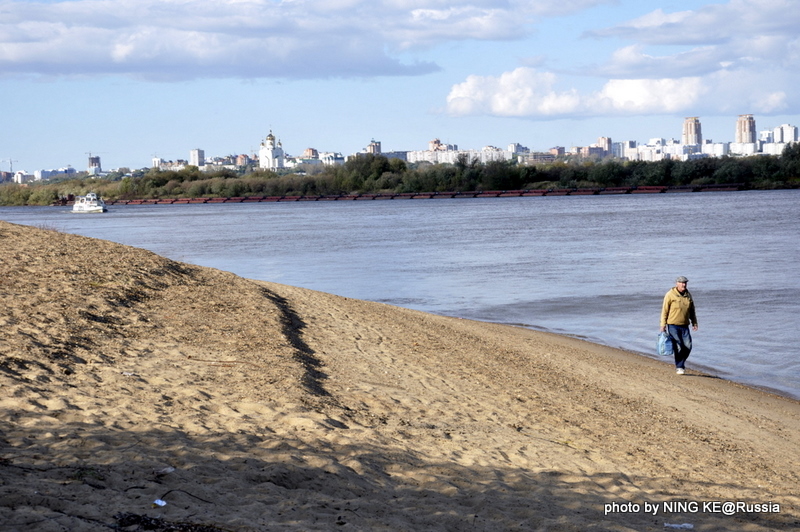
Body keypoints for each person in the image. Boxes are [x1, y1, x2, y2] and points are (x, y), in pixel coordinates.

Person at [660, 276, 698, 375]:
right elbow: (664, 311)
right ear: (677, 283)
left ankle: (681, 362)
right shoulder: (670, 294)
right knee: (679, 346)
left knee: (688, 346)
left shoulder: (688, 295)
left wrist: (694, 322)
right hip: (673, 325)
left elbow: (692, 310)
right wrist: (662, 324)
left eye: (685, 283)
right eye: (681, 283)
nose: (683, 284)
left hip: (685, 325)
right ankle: (680, 366)